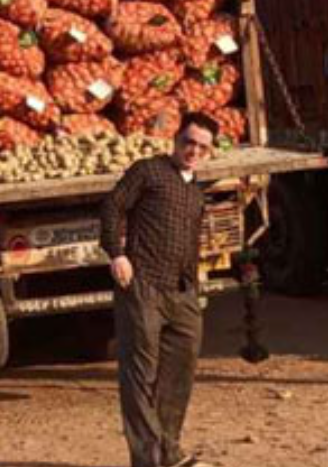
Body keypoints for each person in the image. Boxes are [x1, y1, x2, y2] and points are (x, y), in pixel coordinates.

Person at [100, 113, 216, 467]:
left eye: (201, 146)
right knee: (140, 376)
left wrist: (196, 284)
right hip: (143, 287)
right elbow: (112, 207)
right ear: (175, 140)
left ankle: (169, 451)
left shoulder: (196, 191)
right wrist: (117, 254)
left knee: (179, 372)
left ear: (210, 153)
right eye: (188, 142)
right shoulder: (148, 171)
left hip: (181, 293)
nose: (193, 150)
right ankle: (147, 460)